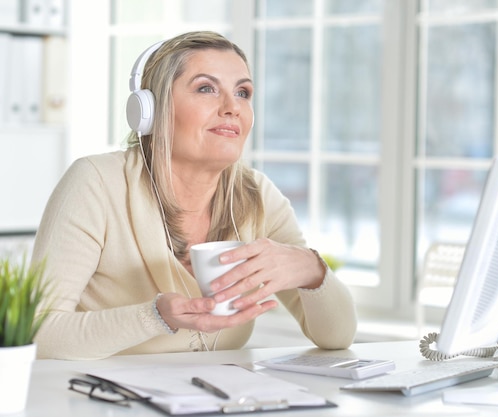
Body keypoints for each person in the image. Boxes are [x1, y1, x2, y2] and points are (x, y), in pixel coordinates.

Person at [31, 31, 357, 360]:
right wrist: (154, 318)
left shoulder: (258, 195)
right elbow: (39, 333)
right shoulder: (97, 184)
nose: (233, 108)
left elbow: (338, 337)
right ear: (151, 110)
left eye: (243, 92)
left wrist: (312, 270)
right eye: (206, 88)